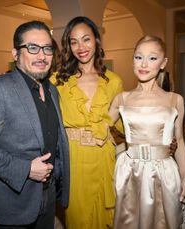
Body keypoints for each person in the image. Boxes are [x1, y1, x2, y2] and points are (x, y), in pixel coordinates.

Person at [0, 20, 70, 228]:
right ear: (15, 54)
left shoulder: (52, 90)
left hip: (49, 196)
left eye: (47, 48)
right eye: (32, 48)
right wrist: (26, 169)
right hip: (15, 201)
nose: (42, 56)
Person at [109, 35, 185, 229]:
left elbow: (179, 141)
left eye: (152, 58)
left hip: (164, 172)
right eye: (138, 57)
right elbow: (102, 128)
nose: (144, 64)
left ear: (163, 63)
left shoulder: (175, 100)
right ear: (133, 60)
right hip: (129, 171)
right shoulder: (121, 98)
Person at [51, 16, 123, 229]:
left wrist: (157, 138)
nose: (80, 47)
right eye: (74, 41)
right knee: (78, 220)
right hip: (73, 161)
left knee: (106, 219)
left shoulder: (114, 81)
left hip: (103, 158)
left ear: (97, 41)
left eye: (86, 39)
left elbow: (123, 125)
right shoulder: (57, 81)